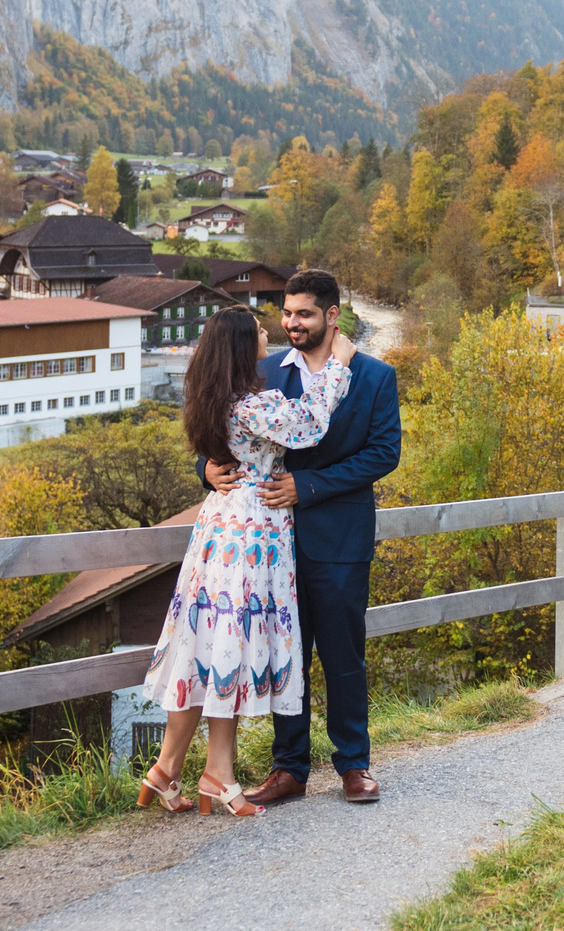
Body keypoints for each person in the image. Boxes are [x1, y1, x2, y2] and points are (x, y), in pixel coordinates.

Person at [135, 305, 355, 815]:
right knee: (228, 643)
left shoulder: (213, 397)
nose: (267, 332)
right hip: (251, 532)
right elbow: (309, 426)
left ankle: (173, 768)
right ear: (240, 345)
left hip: (218, 529)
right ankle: (215, 774)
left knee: (206, 643)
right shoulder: (253, 404)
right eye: (257, 329)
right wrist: (337, 364)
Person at [203, 267, 400, 806]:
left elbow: (384, 454)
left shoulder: (376, 377)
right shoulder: (263, 371)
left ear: (332, 316)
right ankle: (289, 767)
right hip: (268, 547)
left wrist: (307, 486)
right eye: (286, 313)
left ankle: (353, 765)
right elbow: (227, 426)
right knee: (281, 656)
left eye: (304, 314)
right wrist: (207, 469)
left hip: (339, 539)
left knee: (342, 656)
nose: (291, 323)